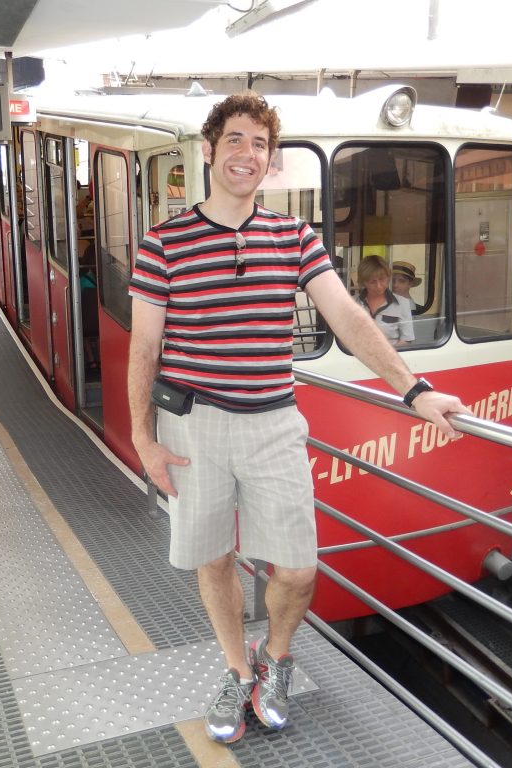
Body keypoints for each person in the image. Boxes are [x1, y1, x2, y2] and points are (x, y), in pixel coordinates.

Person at [127, 91, 468, 745]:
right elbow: (145, 347)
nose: (246, 153)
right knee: (213, 558)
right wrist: (144, 438)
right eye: (234, 139)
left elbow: (348, 316)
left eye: (259, 143)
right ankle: (235, 669)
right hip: (193, 426)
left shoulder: (293, 236)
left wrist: (414, 388)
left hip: (274, 423)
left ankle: (275, 660)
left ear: (270, 162)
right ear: (209, 150)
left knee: (299, 569)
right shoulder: (164, 243)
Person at [355, 255, 415, 347]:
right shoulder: (352, 303)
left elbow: (407, 339)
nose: (379, 285)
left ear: (388, 277)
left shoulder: (403, 303)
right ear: (364, 282)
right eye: (373, 282)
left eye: (382, 279)